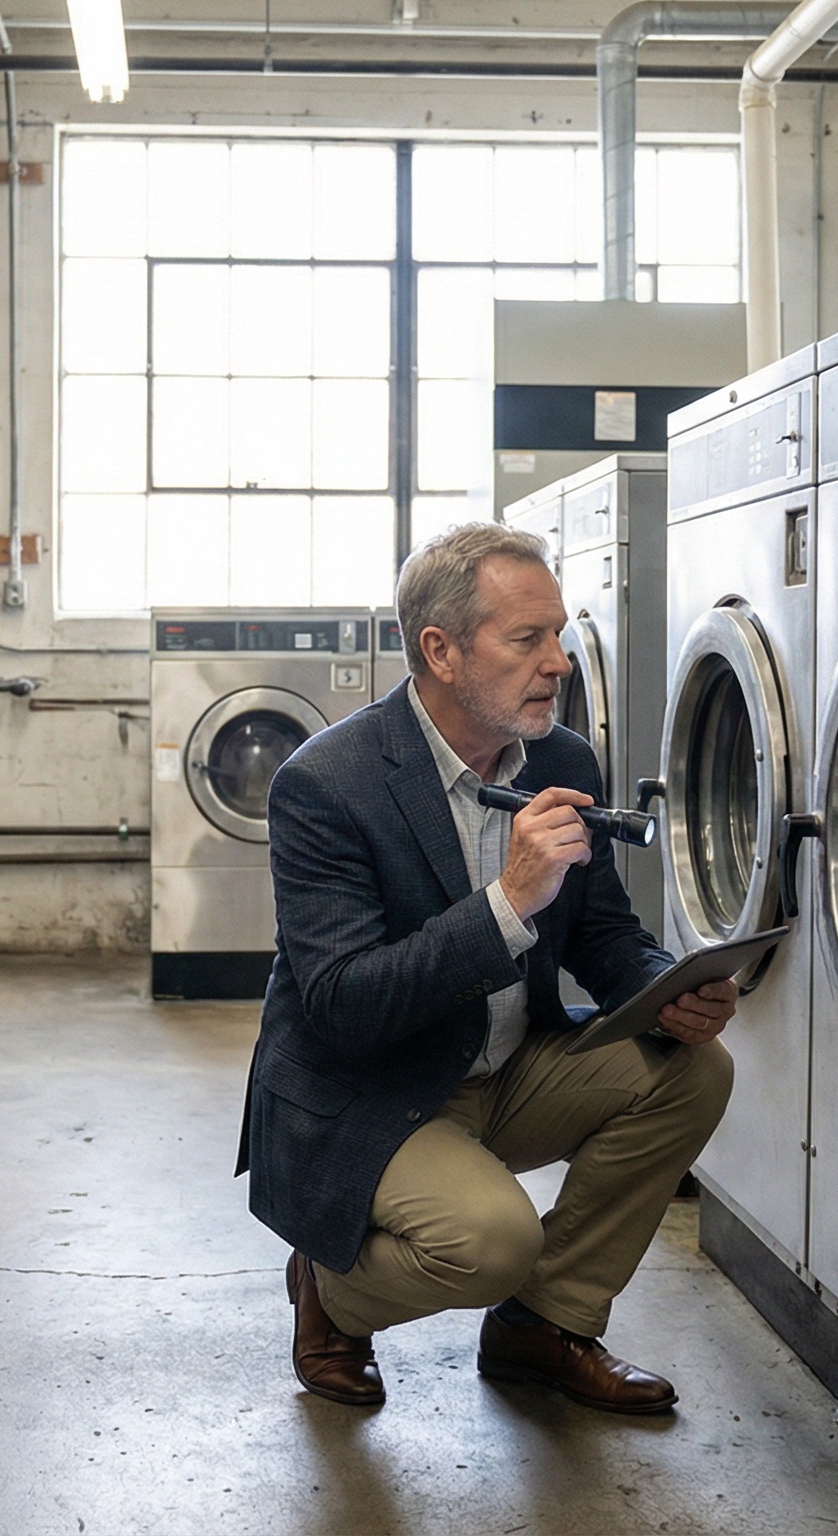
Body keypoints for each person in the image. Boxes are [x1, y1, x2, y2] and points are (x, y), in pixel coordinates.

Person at [238, 522, 740, 1413]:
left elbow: (602, 933)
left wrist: (666, 989)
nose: (560, 663)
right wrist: (508, 901)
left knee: (691, 1072)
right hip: (369, 1087)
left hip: (504, 1064)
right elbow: (344, 1005)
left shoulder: (562, 757)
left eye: (558, 635)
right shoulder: (328, 782)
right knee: (491, 1239)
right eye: (527, 639)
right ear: (439, 650)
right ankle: (331, 1292)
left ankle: (542, 1326)